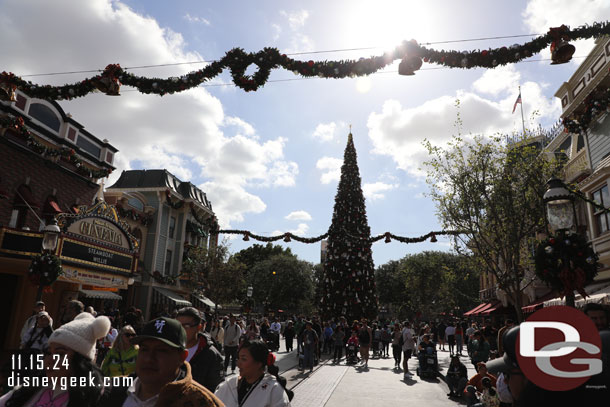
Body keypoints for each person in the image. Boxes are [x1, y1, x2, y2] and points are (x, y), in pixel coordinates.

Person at [102, 317, 224, 407]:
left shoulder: (202, 402)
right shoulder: (110, 391)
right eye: (144, 349)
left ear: (182, 357)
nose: (149, 358)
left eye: (161, 351)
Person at [0, 313, 110, 407]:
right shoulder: (30, 388)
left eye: (60, 353)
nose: (50, 360)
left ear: (80, 360)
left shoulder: (93, 397)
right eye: (48, 353)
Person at [215, 339, 291, 406]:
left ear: (259, 363)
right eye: (238, 358)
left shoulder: (273, 390)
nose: (238, 364)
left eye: (243, 359)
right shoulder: (229, 385)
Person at [176, 307, 224, 392]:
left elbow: (216, 390)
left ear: (199, 327)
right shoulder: (169, 349)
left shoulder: (211, 355)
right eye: (178, 325)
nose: (181, 330)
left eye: (186, 326)